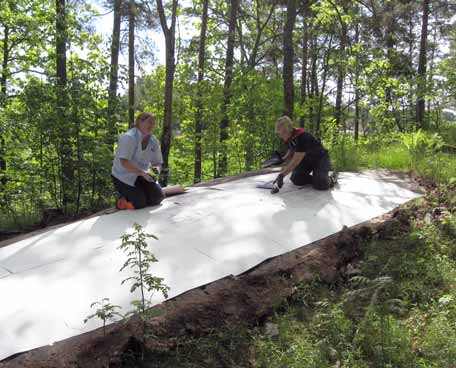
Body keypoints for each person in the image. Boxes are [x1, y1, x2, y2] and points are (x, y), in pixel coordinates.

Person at [111, 112, 165, 209]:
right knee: (139, 203)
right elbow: (124, 163)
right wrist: (142, 173)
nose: (151, 125)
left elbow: (157, 162)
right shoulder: (128, 137)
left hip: (142, 175)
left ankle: (140, 194)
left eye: (153, 123)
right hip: (123, 176)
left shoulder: (154, 141)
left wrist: (155, 171)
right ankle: (122, 200)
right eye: (149, 122)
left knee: (158, 198)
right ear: (139, 122)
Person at [272, 115, 337, 193]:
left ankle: (330, 179)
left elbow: (295, 162)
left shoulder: (302, 137)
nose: (281, 136)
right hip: (307, 160)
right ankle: (318, 179)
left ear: (289, 129)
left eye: (283, 133)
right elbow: (291, 150)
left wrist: (282, 175)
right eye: (279, 133)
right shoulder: (290, 137)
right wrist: (282, 159)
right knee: (296, 178)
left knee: (321, 184)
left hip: (320, 159)